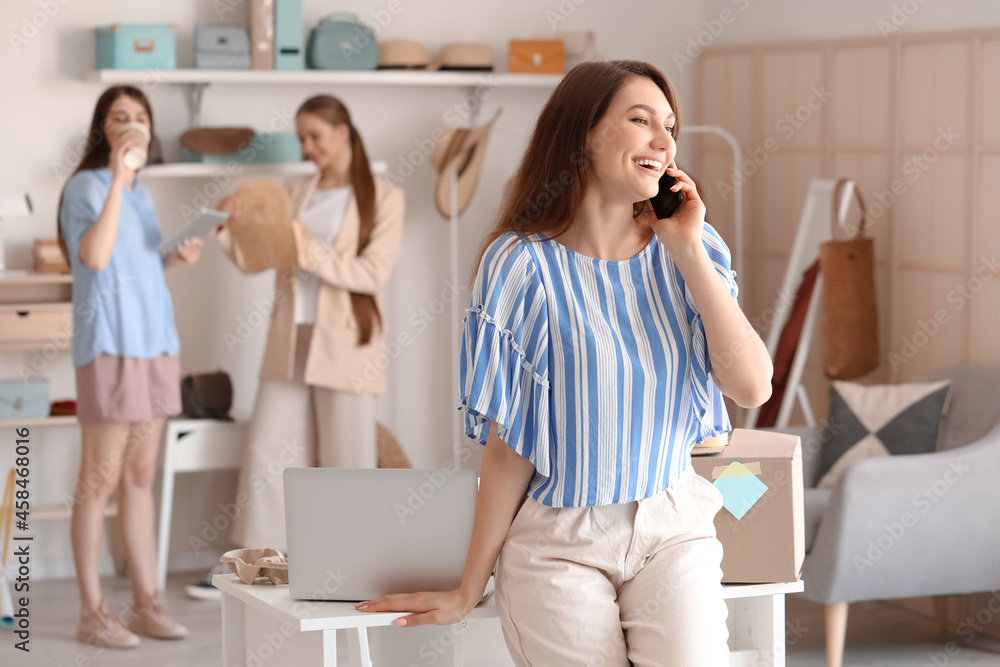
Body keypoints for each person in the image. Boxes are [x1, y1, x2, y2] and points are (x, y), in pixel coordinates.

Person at [356, 60, 774, 666]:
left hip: (673, 524)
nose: (663, 140)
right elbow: (508, 448)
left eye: (670, 126)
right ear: (584, 132)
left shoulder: (693, 247)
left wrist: (684, 248)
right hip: (559, 542)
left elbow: (752, 385)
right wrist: (470, 585)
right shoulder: (520, 266)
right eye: (640, 120)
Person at [186, 94, 404, 599]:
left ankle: (353, 567)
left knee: (346, 462)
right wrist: (225, 225)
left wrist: (309, 249)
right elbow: (256, 258)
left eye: (315, 137)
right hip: (290, 339)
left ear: (343, 131)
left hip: (347, 344)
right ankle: (254, 568)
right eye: (302, 137)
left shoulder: (385, 198)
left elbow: (372, 273)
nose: (307, 147)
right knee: (266, 452)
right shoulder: (295, 190)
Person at [59, 85, 202, 649]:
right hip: (110, 347)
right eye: (120, 118)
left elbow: (133, 266)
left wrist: (173, 254)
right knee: (100, 480)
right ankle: (92, 613)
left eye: (140, 117)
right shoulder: (86, 187)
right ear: (104, 131)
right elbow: (93, 257)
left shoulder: (140, 193)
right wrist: (118, 178)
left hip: (155, 345)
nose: (132, 125)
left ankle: (146, 604)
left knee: (140, 477)